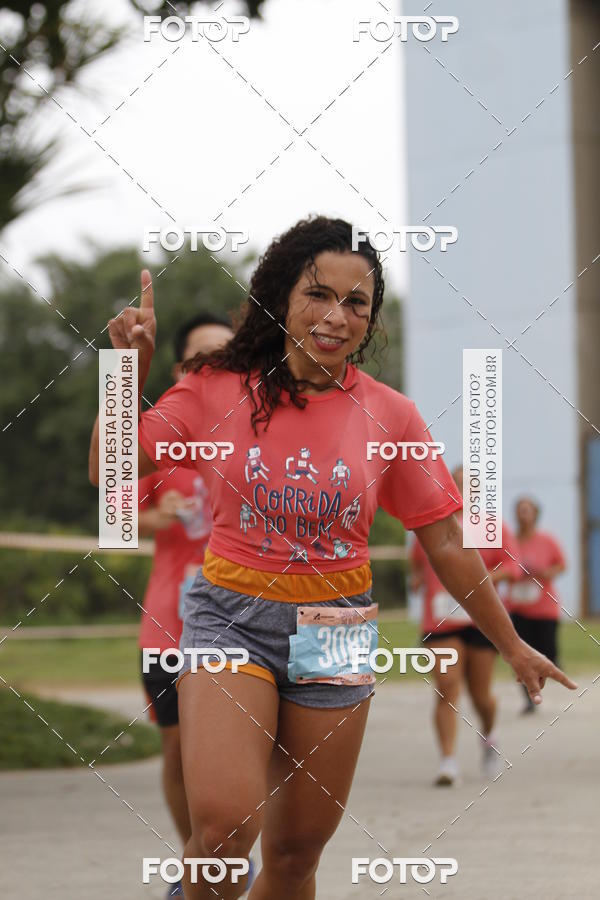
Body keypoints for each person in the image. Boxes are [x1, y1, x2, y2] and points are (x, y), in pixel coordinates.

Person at [89, 216, 576, 900]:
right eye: (319, 293)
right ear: (283, 295)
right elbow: (110, 470)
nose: (336, 316)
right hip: (230, 615)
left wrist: (512, 643)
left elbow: (444, 541)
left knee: (294, 856)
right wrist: (125, 371)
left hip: (336, 628)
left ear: (371, 322)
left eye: (357, 304)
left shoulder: (392, 416)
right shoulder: (216, 387)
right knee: (226, 834)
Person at [138, 313, 233, 898]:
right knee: (178, 748)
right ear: (181, 371)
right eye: (203, 358)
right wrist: (156, 516)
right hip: (169, 625)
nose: (216, 367)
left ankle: (232, 851)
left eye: (229, 355)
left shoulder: (257, 433)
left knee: (246, 752)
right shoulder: (164, 443)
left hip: (243, 624)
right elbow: (111, 511)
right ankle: (196, 861)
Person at [410, 466, 521, 786]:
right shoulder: (432, 524)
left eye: (466, 485)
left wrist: (485, 578)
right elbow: (417, 558)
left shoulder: (491, 525)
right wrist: (418, 577)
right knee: (447, 686)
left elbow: (513, 566)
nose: (459, 490)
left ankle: (489, 735)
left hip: (480, 619)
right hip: (440, 619)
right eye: (454, 484)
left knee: (481, 694)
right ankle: (448, 761)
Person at [510, 495, 567, 713]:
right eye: (519, 509)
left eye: (527, 510)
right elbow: (501, 565)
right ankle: (528, 697)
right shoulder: (511, 540)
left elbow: (562, 565)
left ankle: (548, 666)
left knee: (548, 652)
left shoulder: (547, 540)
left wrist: (545, 573)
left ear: (535, 514)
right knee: (521, 655)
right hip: (519, 606)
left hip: (544, 606)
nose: (523, 514)